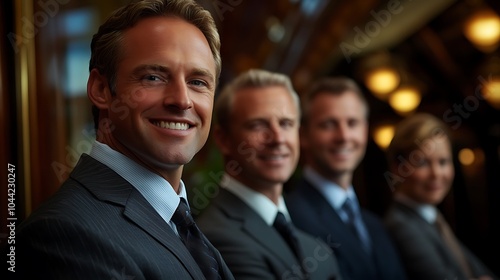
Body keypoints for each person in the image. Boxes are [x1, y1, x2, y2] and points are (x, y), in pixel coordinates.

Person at [4, 1, 234, 279]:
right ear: (101, 89)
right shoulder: (64, 235)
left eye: (198, 82)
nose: (182, 100)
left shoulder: (178, 220)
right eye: (153, 77)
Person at [196, 69, 342, 280]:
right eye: (258, 125)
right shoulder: (215, 237)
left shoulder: (311, 240)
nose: (277, 139)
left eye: (286, 124)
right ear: (223, 139)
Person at [285, 77, 406, 280]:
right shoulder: (291, 216)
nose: (343, 136)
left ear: (365, 131)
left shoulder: (374, 223)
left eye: (352, 123)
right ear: (303, 135)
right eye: (328, 124)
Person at [383, 112, 497, 280]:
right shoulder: (400, 225)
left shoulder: (433, 218)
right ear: (397, 167)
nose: (436, 174)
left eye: (443, 162)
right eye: (422, 163)